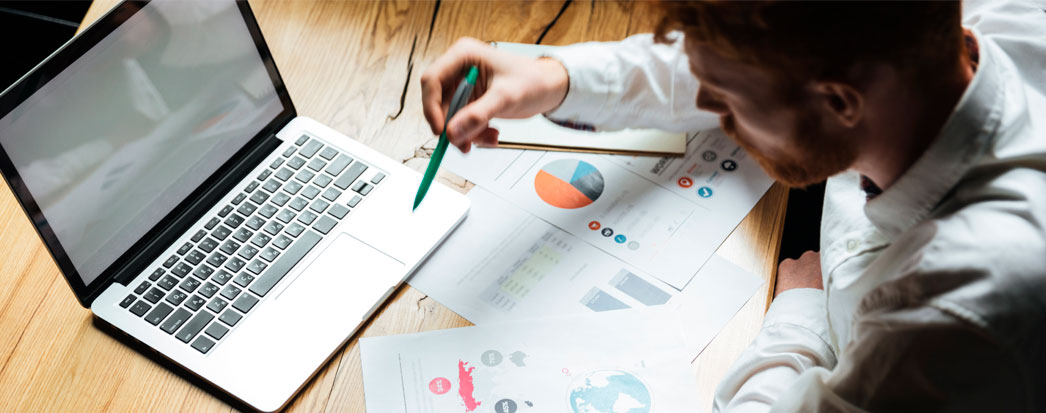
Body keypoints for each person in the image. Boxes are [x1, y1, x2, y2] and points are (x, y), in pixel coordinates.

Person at [421, 0, 1046, 411]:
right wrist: (555, 77)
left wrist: (799, 315)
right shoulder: (934, 37)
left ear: (840, 101)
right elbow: (756, 62)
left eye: (727, 104)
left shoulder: (953, 308)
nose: (717, 114)